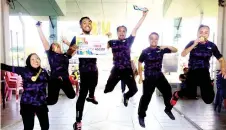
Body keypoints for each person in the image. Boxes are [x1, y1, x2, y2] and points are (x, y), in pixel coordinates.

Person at [171, 24, 226, 107]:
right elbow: (183, 54)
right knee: (190, 94)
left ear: (208, 35)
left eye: (206, 33)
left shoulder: (211, 46)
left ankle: (209, 85)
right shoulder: (192, 43)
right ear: (197, 33)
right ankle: (177, 94)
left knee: (209, 100)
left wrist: (223, 69)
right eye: (201, 32)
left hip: (204, 72)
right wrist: (194, 44)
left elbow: (221, 59)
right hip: (193, 72)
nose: (203, 34)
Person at [62, 17, 101, 130]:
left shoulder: (95, 38)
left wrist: (106, 39)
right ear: (81, 26)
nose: (87, 24)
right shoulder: (77, 38)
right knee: (82, 95)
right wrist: (73, 48)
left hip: (94, 68)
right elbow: (69, 54)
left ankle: (92, 96)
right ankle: (78, 122)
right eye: (84, 23)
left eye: (89, 22)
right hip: (84, 70)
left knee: (94, 85)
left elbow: (102, 48)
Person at [104, 9, 148, 107]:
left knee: (134, 90)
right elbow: (101, 49)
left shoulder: (129, 41)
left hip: (127, 69)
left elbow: (136, 28)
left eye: (124, 31)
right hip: (116, 69)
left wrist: (143, 16)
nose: (122, 32)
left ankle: (126, 96)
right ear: (117, 33)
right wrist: (104, 38)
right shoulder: (112, 42)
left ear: (126, 33)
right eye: (119, 31)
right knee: (108, 89)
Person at [137, 32, 177, 128]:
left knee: (167, 91)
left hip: (159, 76)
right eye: (152, 38)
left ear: (158, 40)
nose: (154, 40)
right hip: (149, 77)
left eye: (156, 38)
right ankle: (141, 116)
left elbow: (175, 50)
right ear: (149, 39)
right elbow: (139, 62)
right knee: (146, 97)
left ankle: (168, 109)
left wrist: (166, 46)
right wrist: (141, 76)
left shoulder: (161, 49)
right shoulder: (145, 51)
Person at [1, 53, 49, 130]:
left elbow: (52, 83)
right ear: (28, 62)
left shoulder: (44, 72)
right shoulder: (24, 70)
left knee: (45, 126)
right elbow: (8, 67)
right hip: (27, 103)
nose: (35, 60)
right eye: (32, 59)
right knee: (28, 127)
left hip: (41, 103)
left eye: (37, 58)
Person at [36, 21, 76, 105]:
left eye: (56, 45)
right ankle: (37, 101)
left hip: (65, 79)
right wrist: (39, 28)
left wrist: (66, 42)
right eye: (53, 45)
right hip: (54, 79)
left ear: (59, 47)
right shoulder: (51, 54)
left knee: (72, 95)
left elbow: (74, 49)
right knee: (52, 101)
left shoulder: (66, 55)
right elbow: (44, 41)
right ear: (51, 48)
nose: (54, 46)